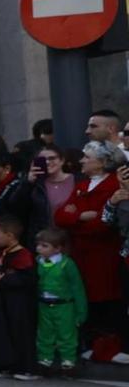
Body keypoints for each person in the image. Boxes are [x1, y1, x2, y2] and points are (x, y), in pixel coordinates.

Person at [61, 141, 126, 361]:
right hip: (82, 255)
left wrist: (77, 219)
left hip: (104, 255)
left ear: (101, 162)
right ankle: (94, 343)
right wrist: (79, 216)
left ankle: (113, 346)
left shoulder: (113, 185)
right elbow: (60, 215)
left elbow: (103, 225)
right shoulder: (81, 185)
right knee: (87, 300)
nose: (82, 160)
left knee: (108, 300)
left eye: (87, 157)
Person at [0, 214, 40, 380]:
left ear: (10, 235)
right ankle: (3, 365)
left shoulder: (23, 255)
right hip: (1, 302)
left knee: (20, 333)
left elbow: (27, 279)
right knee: (1, 333)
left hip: (18, 302)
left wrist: (4, 281)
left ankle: (25, 367)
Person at [36, 226, 88, 376]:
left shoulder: (67, 264)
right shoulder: (37, 262)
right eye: (38, 245)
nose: (39, 248)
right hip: (44, 304)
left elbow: (77, 288)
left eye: (44, 246)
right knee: (44, 334)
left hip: (64, 305)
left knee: (67, 334)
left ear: (58, 248)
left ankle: (68, 362)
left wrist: (81, 312)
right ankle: (44, 360)